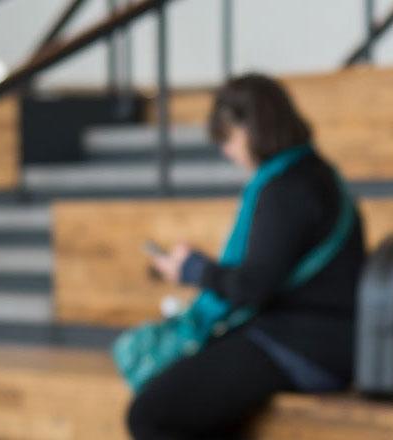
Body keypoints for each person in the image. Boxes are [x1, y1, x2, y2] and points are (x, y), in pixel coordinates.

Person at [127, 73, 367, 438]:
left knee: (149, 414)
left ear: (253, 128)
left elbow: (253, 287)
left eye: (227, 137)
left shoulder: (286, 189)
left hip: (302, 346)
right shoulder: (317, 174)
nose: (226, 150)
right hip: (323, 341)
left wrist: (192, 269)